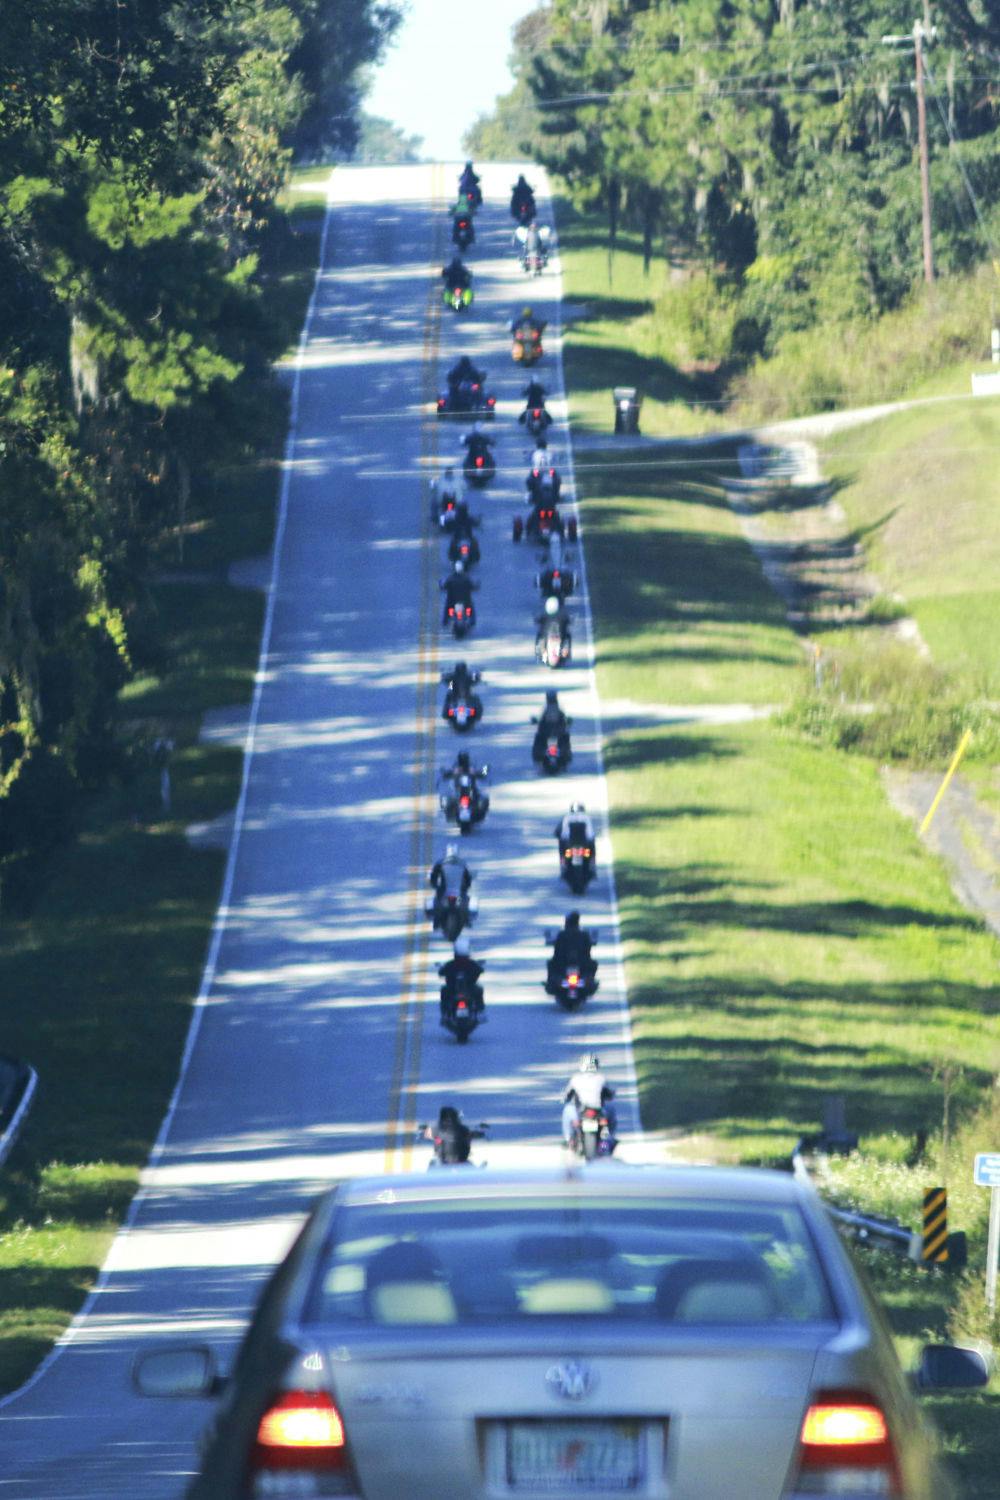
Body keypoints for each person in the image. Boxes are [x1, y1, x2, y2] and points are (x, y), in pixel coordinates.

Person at [561, 1053, 617, 1147]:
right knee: (611, 1111)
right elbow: (609, 1094)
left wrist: (564, 1099)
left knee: (567, 1110)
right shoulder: (601, 1079)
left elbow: (567, 1095)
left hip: (581, 1111)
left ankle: (568, 1138)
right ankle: (610, 1138)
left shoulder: (575, 1079)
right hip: (598, 1111)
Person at [438, 935, 485, 1023]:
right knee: (479, 991)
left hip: (455, 990)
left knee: (444, 991)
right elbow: (480, 970)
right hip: (466, 990)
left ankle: (445, 1014)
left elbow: (441, 972)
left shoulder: (451, 964)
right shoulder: (471, 964)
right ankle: (480, 1012)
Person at [548, 911, 597, 991]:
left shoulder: (562, 934)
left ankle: (551, 983)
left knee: (551, 964)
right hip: (575, 963)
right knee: (593, 964)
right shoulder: (583, 935)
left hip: (568, 963)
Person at [533, 689, 570, 760]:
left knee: (565, 736)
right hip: (548, 734)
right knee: (538, 737)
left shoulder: (557, 711)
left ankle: (565, 755)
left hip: (557, 734)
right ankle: (540, 755)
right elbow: (540, 722)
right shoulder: (549, 711)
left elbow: (565, 721)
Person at [440, 560, 476, 625]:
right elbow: (472, 586)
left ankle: (446, 621)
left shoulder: (451, 578)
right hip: (465, 600)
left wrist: (441, 586)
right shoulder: (466, 578)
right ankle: (472, 621)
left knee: (448, 609)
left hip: (453, 601)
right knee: (470, 609)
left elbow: (444, 587)